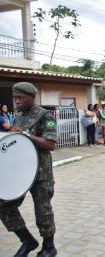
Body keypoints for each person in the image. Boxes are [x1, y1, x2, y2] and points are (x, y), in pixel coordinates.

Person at [0, 82, 57, 257]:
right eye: (15, 97)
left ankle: (49, 247)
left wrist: (25, 134)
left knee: (43, 210)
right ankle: (27, 240)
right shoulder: (18, 115)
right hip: (20, 172)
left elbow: (50, 144)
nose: (16, 101)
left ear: (32, 96)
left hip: (41, 174)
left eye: (21, 98)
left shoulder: (44, 115)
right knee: (3, 205)